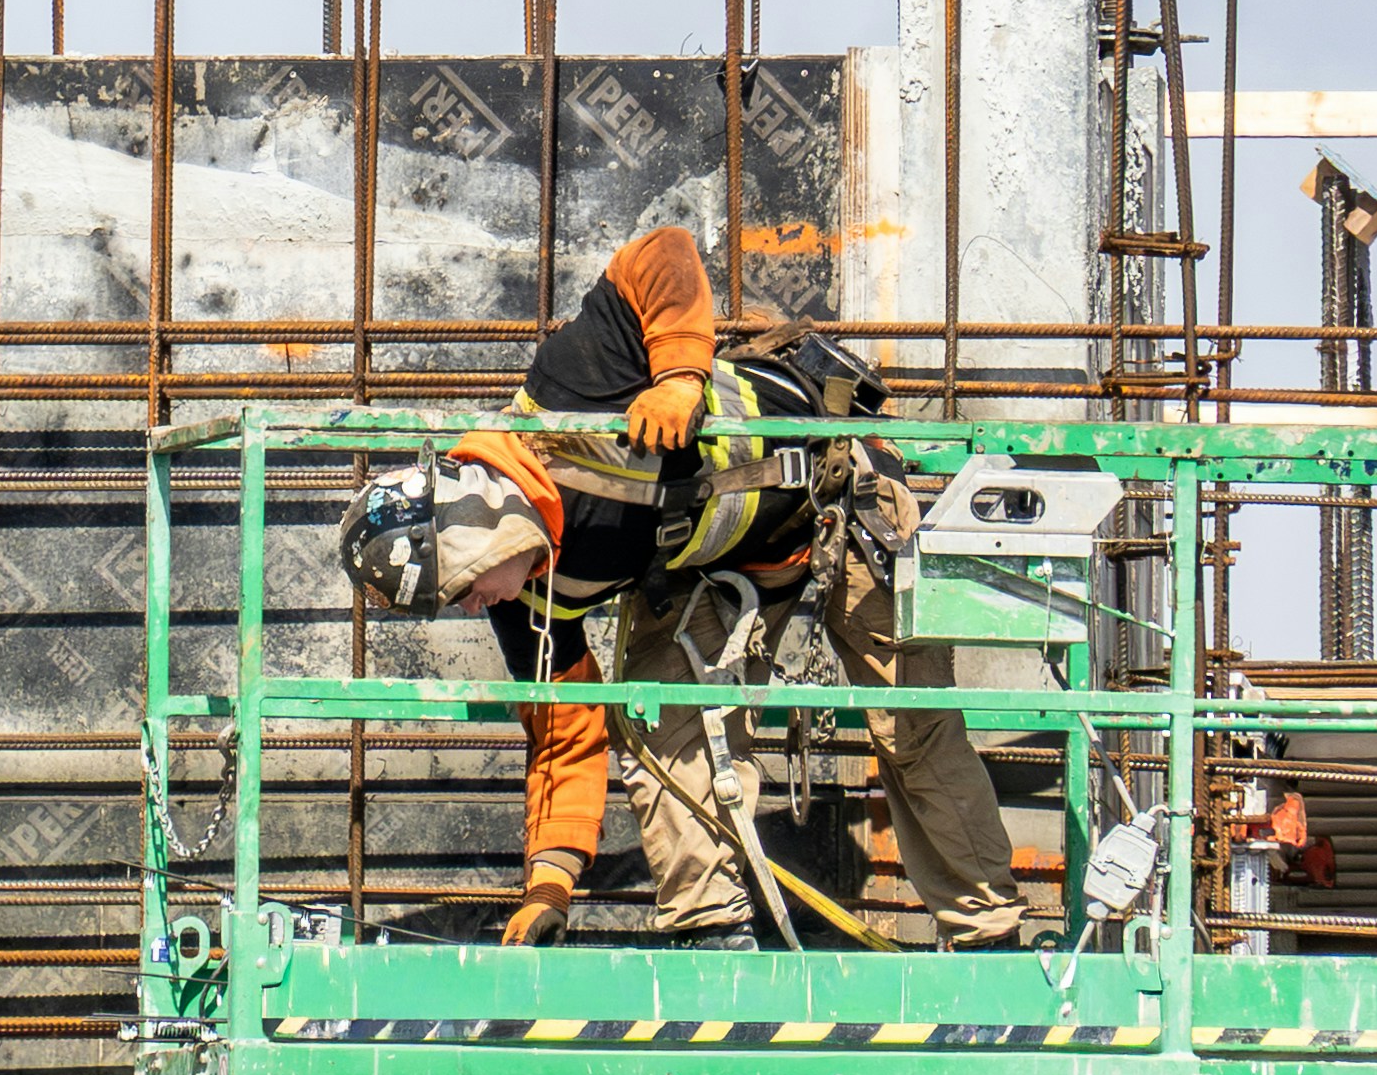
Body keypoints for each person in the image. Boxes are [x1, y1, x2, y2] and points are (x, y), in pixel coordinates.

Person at [341, 229, 1024, 951]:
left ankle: (987, 934)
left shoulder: (565, 390)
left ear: (473, 522)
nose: (472, 606)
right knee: (660, 714)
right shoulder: (528, 606)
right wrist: (547, 886)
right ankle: (709, 932)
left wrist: (675, 377)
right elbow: (565, 736)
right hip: (725, 563)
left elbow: (660, 253)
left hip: (836, 494)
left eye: (458, 588)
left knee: (907, 721)